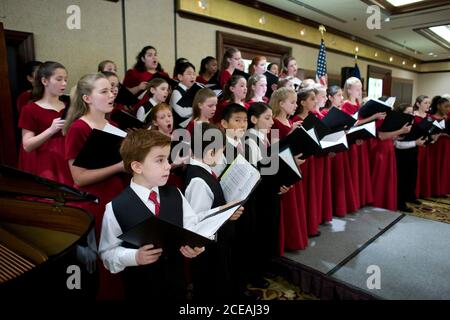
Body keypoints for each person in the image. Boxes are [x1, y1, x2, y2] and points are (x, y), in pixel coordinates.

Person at [99, 129, 205, 300]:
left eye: (167, 159)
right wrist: (134, 257)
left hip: (177, 285)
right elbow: (107, 254)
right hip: (141, 291)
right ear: (137, 166)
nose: (168, 165)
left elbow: (192, 226)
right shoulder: (116, 207)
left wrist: (195, 244)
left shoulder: (175, 194)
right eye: (160, 160)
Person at [64, 73, 127, 299]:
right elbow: (79, 178)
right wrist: (119, 167)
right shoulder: (78, 129)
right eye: (103, 92)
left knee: (121, 258)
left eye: (111, 91)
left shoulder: (114, 125)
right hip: (96, 203)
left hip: (118, 197)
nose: (111, 95)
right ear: (87, 98)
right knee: (104, 264)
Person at [184, 122, 244, 300]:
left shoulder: (202, 170)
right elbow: (198, 222)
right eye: (221, 151)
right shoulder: (199, 182)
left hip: (217, 245)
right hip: (209, 252)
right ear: (210, 153)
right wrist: (226, 211)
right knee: (212, 288)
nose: (222, 155)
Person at [18, 61, 72, 185]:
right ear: (45, 81)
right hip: (45, 164)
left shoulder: (68, 106)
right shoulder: (30, 109)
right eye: (59, 79)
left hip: (68, 160)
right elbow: (27, 145)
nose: (64, 83)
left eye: (65, 79)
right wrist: (50, 130)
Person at [270, 87, 308, 254]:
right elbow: (274, 151)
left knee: (295, 205)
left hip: (295, 166)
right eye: (292, 102)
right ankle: (285, 242)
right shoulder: (275, 124)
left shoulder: (290, 122)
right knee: (286, 208)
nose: (295, 105)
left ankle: (295, 238)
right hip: (284, 169)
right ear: (280, 104)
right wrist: (291, 134)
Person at [393, 103, 427, 212]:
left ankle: (410, 196)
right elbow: (397, 144)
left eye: (412, 112)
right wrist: (415, 143)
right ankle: (400, 203)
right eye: (408, 113)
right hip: (401, 156)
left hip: (412, 154)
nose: (411, 115)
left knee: (412, 176)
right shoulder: (397, 125)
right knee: (402, 179)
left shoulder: (413, 124)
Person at [427, 96, 450, 197]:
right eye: (446, 106)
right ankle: (433, 189)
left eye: (449, 107)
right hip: (435, 145)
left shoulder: (448, 119)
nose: (448, 109)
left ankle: (442, 189)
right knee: (434, 166)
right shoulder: (430, 118)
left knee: (444, 167)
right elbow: (429, 132)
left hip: (446, 145)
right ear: (438, 106)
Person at [413, 95, 432, 198]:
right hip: (415, 145)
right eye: (425, 103)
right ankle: (414, 192)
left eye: (429, 103)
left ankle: (422, 191)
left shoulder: (429, 117)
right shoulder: (413, 115)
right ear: (418, 104)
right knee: (416, 168)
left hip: (425, 145)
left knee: (424, 168)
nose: (428, 105)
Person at [169, 62, 196, 128]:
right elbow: (182, 112)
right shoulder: (176, 92)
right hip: (180, 129)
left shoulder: (193, 90)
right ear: (180, 77)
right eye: (189, 74)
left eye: (194, 74)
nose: (192, 76)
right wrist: (197, 108)